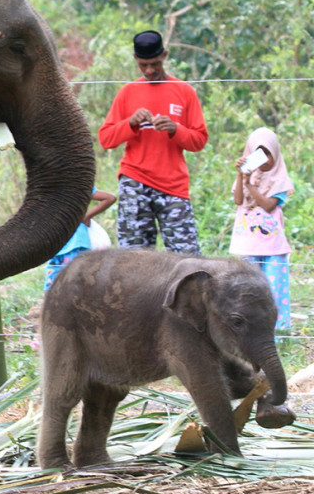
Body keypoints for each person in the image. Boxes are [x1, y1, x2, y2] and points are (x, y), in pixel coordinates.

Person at [98, 30, 208, 253]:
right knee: (134, 259)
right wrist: (130, 123)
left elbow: (199, 141)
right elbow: (106, 139)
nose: (149, 70)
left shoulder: (184, 91)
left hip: (173, 186)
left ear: (164, 56)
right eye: (143, 65)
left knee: (187, 257)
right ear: (135, 60)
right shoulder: (128, 92)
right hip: (134, 182)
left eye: (155, 64)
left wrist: (176, 129)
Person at [229, 127, 295, 332]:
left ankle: (279, 332)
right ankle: (250, 332)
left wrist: (250, 186)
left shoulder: (280, 180)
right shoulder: (246, 177)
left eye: (268, 152)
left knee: (275, 291)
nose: (264, 158)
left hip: (272, 247)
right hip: (247, 245)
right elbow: (238, 200)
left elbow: (268, 206)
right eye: (258, 153)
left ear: (276, 153)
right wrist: (241, 177)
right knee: (247, 291)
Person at [43, 187, 116, 290]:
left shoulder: (76, 186)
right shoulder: (49, 190)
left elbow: (110, 198)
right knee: (54, 286)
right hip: (58, 246)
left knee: (76, 283)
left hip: (75, 245)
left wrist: (87, 216)